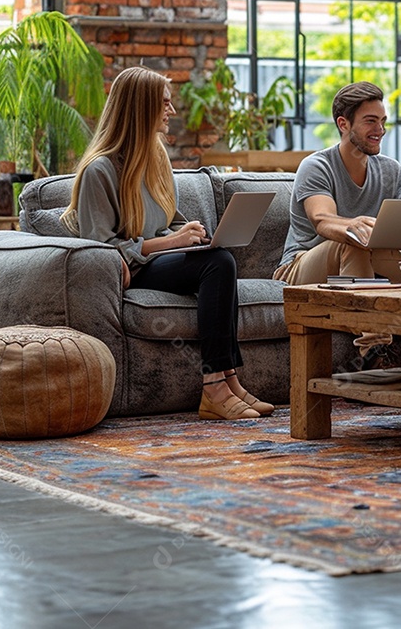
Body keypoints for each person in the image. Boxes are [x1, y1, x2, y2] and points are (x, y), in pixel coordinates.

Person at [63, 66, 270, 421]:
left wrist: (189, 232)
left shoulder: (156, 158)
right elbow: (98, 249)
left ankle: (230, 379)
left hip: (157, 261)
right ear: (141, 107)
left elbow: (170, 219)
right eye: (164, 103)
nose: (171, 111)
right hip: (131, 270)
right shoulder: (100, 171)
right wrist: (172, 241)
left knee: (220, 259)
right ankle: (214, 389)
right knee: (218, 263)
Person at [273, 81, 401, 364]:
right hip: (298, 268)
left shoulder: (392, 171)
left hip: (363, 266)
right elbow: (322, 220)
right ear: (343, 124)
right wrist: (353, 228)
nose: (380, 130)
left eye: (383, 121)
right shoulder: (317, 166)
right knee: (353, 243)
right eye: (370, 121)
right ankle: (374, 354)